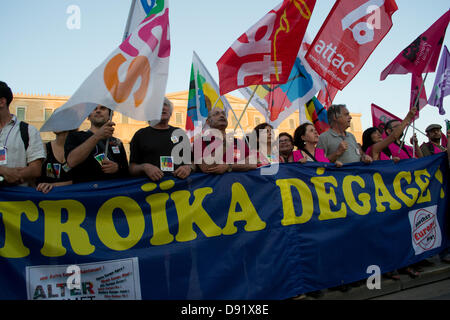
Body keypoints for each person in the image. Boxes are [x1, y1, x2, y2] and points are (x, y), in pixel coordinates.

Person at [129, 97, 193, 181]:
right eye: (158, 105)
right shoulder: (140, 135)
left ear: (170, 112)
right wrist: (144, 167)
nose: (163, 107)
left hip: (179, 189)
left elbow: (192, 163)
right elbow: (131, 168)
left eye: (165, 105)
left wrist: (188, 167)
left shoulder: (180, 133)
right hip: (150, 190)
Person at [65, 105, 129, 183]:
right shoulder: (75, 136)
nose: (98, 111)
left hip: (112, 193)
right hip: (86, 192)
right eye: (94, 108)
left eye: (102, 108)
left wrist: (117, 168)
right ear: (88, 116)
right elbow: (71, 162)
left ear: (110, 114)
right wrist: (97, 136)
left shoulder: (117, 143)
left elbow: (127, 172)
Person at [0, 81, 45, 186]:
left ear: (2, 102)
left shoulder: (28, 130)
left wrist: (13, 175)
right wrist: (3, 171)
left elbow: (36, 169)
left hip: (16, 199)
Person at [197, 107, 256, 174]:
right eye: (216, 114)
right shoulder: (200, 142)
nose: (222, 115)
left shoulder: (238, 142)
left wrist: (229, 166)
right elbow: (206, 167)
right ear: (208, 122)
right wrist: (226, 145)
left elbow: (253, 163)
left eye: (223, 114)